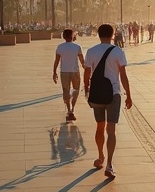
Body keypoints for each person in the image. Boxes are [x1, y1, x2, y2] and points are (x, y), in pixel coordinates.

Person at [83, 23, 132, 179]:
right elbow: (123, 75)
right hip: (114, 93)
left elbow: (86, 73)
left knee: (99, 127)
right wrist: (129, 95)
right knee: (111, 130)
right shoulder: (118, 52)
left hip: (97, 94)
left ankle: (100, 157)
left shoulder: (91, 51)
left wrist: (87, 89)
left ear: (98, 34)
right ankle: (110, 165)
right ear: (113, 34)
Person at [53, 28, 84, 121]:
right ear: (72, 36)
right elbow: (82, 61)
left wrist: (54, 72)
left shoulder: (60, 47)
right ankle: (72, 109)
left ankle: (69, 109)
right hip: (75, 71)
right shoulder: (77, 47)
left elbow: (57, 61)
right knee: (76, 90)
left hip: (64, 72)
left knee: (66, 91)